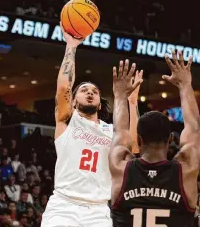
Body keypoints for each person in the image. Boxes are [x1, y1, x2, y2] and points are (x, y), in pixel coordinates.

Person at [41, 23, 141, 227]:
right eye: (84, 90)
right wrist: (71, 46)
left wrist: (132, 102)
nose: (90, 92)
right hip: (63, 205)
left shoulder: (110, 130)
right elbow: (63, 88)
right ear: (74, 100)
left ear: (99, 101)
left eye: (94, 91)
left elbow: (135, 146)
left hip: (98, 210)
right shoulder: (67, 121)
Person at [110, 51, 200, 227]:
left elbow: (119, 131)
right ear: (170, 139)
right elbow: (194, 129)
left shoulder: (121, 167)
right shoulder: (185, 170)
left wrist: (120, 95)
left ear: (138, 140)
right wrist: (185, 85)